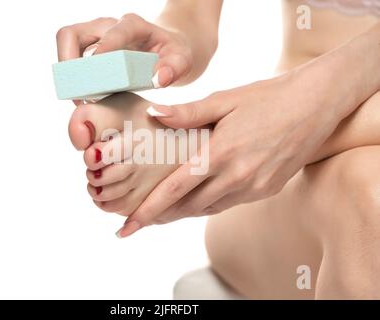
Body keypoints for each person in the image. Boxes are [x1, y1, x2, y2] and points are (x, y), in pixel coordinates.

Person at [56, 0, 380, 299]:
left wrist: (305, 104)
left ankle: (221, 139)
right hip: (293, 195)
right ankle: (251, 133)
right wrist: (175, 38)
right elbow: (193, 12)